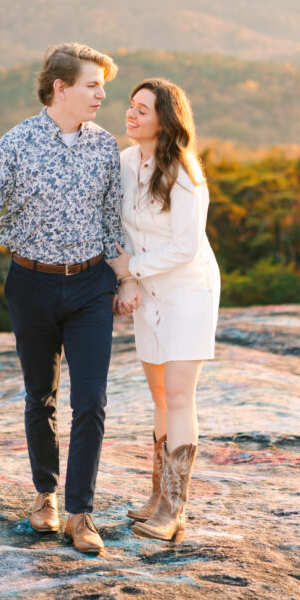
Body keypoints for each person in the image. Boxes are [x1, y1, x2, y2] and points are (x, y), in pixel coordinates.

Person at [0, 43, 125, 556]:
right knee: (41, 397)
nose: (101, 94)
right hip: (30, 285)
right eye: (92, 85)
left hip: (92, 285)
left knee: (91, 399)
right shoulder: (15, 144)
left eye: (103, 86)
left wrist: (126, 278)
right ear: (61, 88)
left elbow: (113, 221)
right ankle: (45, 495)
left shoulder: (104, 147)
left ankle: (81, 513)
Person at [107, 78, 220, 543]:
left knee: (178, 397)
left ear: (165, 120)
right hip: (148, 291)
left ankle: (175, 509)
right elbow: (118, 228)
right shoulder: (125, 161)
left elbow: (186, 247)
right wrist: (129, 280)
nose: (131, 115)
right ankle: (156, 497)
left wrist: (134, 267)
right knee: (157, 396)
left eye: (143, 110)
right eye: (130, 106)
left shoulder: (184, 171)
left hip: (187, 292)